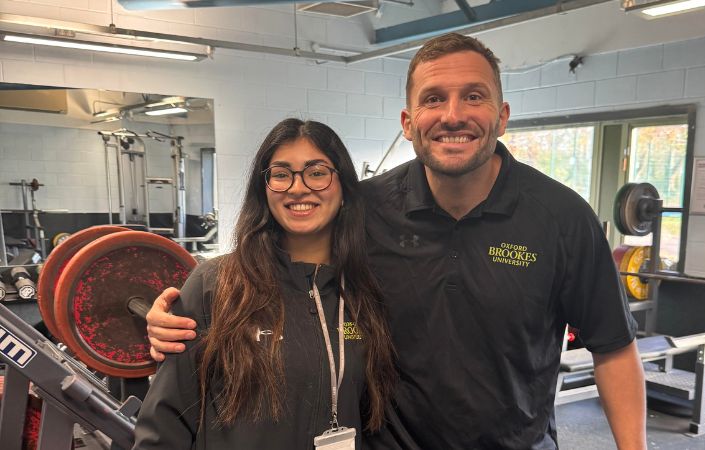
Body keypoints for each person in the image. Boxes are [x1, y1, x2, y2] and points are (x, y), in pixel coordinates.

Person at [145, 33, 647, 450]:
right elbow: (281, 251)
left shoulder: (562, 218)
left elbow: (614, 350)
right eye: (433, 98)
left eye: (474, 95)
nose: (453, 115)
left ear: (502, 115)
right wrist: (184, 310)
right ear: (408, 123)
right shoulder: (367, 208)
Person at [133, 118, 396, 450]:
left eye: (317, 172)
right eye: (282, 174)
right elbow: (164, 422)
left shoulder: (364, 292)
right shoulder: (216, 285)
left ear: (343, 188)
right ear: (265, 189)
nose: (298, 188)